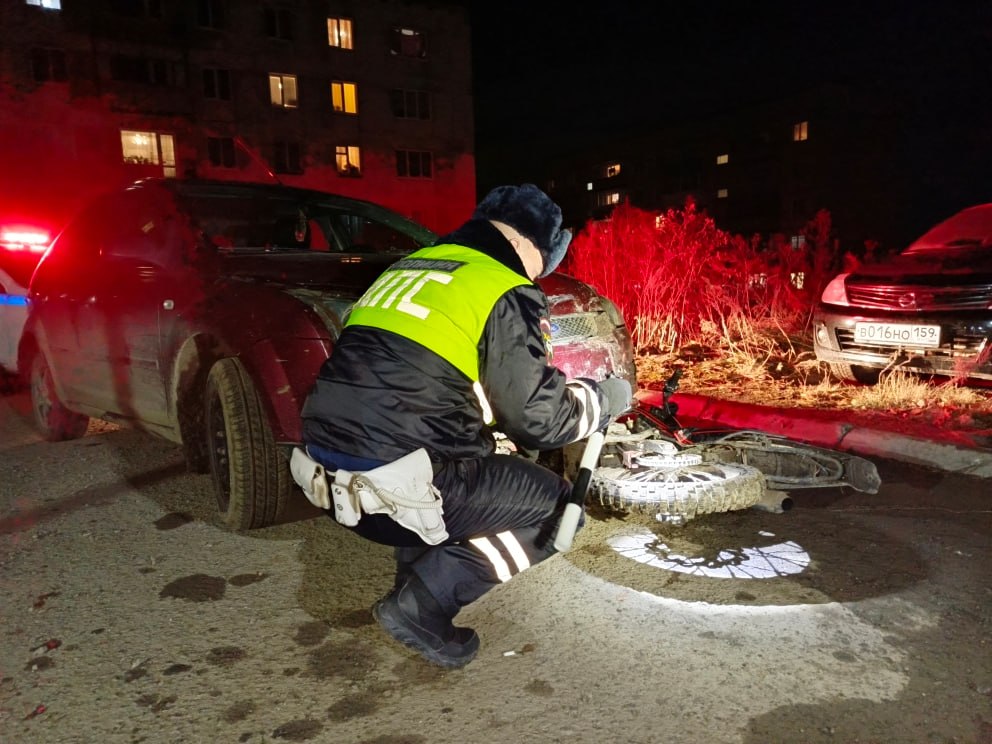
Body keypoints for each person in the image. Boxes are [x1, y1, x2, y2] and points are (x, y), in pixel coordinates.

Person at [298, 184, 632, 668]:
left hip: (329, 479)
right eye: (543, 261)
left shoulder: (410, 269)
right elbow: (541, 420)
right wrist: (603, 398)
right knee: (560, 510)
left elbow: (424, 380)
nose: (538, 274)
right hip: (400, 492)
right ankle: (421, 606)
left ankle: (415, 584)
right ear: (523, 243)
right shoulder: (499, 284)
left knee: (458, 456)